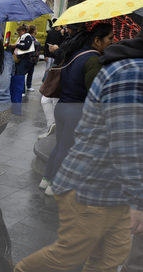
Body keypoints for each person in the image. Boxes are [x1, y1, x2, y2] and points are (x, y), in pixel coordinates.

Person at [15, 29, 143, 272]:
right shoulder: (131, 73)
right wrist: (138, 201)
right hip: (90, 184)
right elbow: (126, 141)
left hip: (112, 188)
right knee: (70, 254)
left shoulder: (123, 67)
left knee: (112, 253)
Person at [40, 23, 114, 196]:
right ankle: (54, 185)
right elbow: (95, 92)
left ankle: (46, 179)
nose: (113, 41)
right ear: (97, 40)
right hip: (76, 111)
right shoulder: (94, 60)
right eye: (110, 38)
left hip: (62, 107)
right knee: (66, 149)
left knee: (59, 147)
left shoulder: (77, 53)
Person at [10, 24, 34, 94]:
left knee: (20, 74)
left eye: (19, 32)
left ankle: (22, 91)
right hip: (19, 57)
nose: (18, 34)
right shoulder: (22, 37)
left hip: (23, 58)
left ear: (23, 31)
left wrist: (16, 45)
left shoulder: (27, 37)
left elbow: (27, 46)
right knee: (18, 73)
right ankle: (19, 90)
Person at [26, 25, 40, 92]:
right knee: (28, 72)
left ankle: (29, 85)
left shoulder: (32, 38)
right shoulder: (30, 38)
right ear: (34, 31)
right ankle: (28, 86)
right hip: (30, 58)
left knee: (30, 72)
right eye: (36, 29)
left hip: (32, 59)